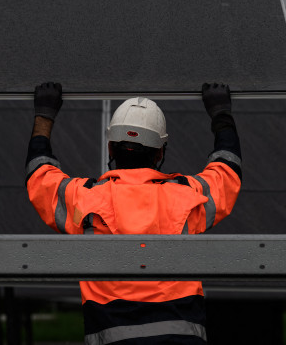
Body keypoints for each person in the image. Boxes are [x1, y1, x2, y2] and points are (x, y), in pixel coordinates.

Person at [25, 82, 242, 344]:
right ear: (160, 151)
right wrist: (220, 112)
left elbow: (39, 175)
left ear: (110, 149)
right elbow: (227, 170)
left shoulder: (83, 199)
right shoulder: (190, 197)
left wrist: (44, 113)